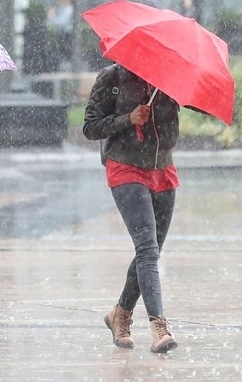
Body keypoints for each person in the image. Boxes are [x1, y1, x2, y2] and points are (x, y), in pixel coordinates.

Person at [83, 63, 179, 353]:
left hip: (162, 169)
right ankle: (158, 326)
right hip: (125, 166)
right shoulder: (112, 77)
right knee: (147, 249)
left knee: (150, 250)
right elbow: (90, 127)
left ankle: (120, 314)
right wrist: (129, 118)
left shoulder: (169, 78)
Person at [47, 0, 74, 69]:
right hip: (63, 34)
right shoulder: (64, 9)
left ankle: (66, 68)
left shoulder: (68, 9)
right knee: (63, 52)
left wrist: (52, 17)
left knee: (65, 52)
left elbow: (61, 22)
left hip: (67, 34)